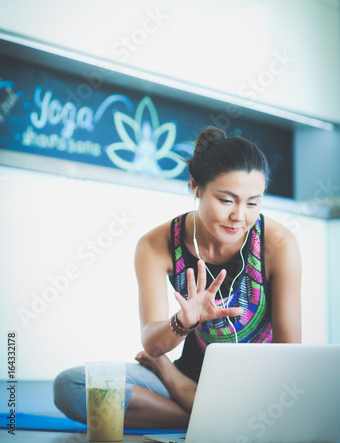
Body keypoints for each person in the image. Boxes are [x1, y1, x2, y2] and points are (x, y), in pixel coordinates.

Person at [53, 126, 302, 429]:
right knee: (72, 387)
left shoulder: (278, 244)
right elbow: (152, 344)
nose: (240, 216)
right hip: (192, 376)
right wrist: (184, 323)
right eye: (226, 200)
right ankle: (218, 419)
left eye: (253, 202)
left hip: (261, 387)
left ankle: (210, 412)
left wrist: (167, 373)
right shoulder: (156, 244)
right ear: (196, 187)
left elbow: (290, 356)